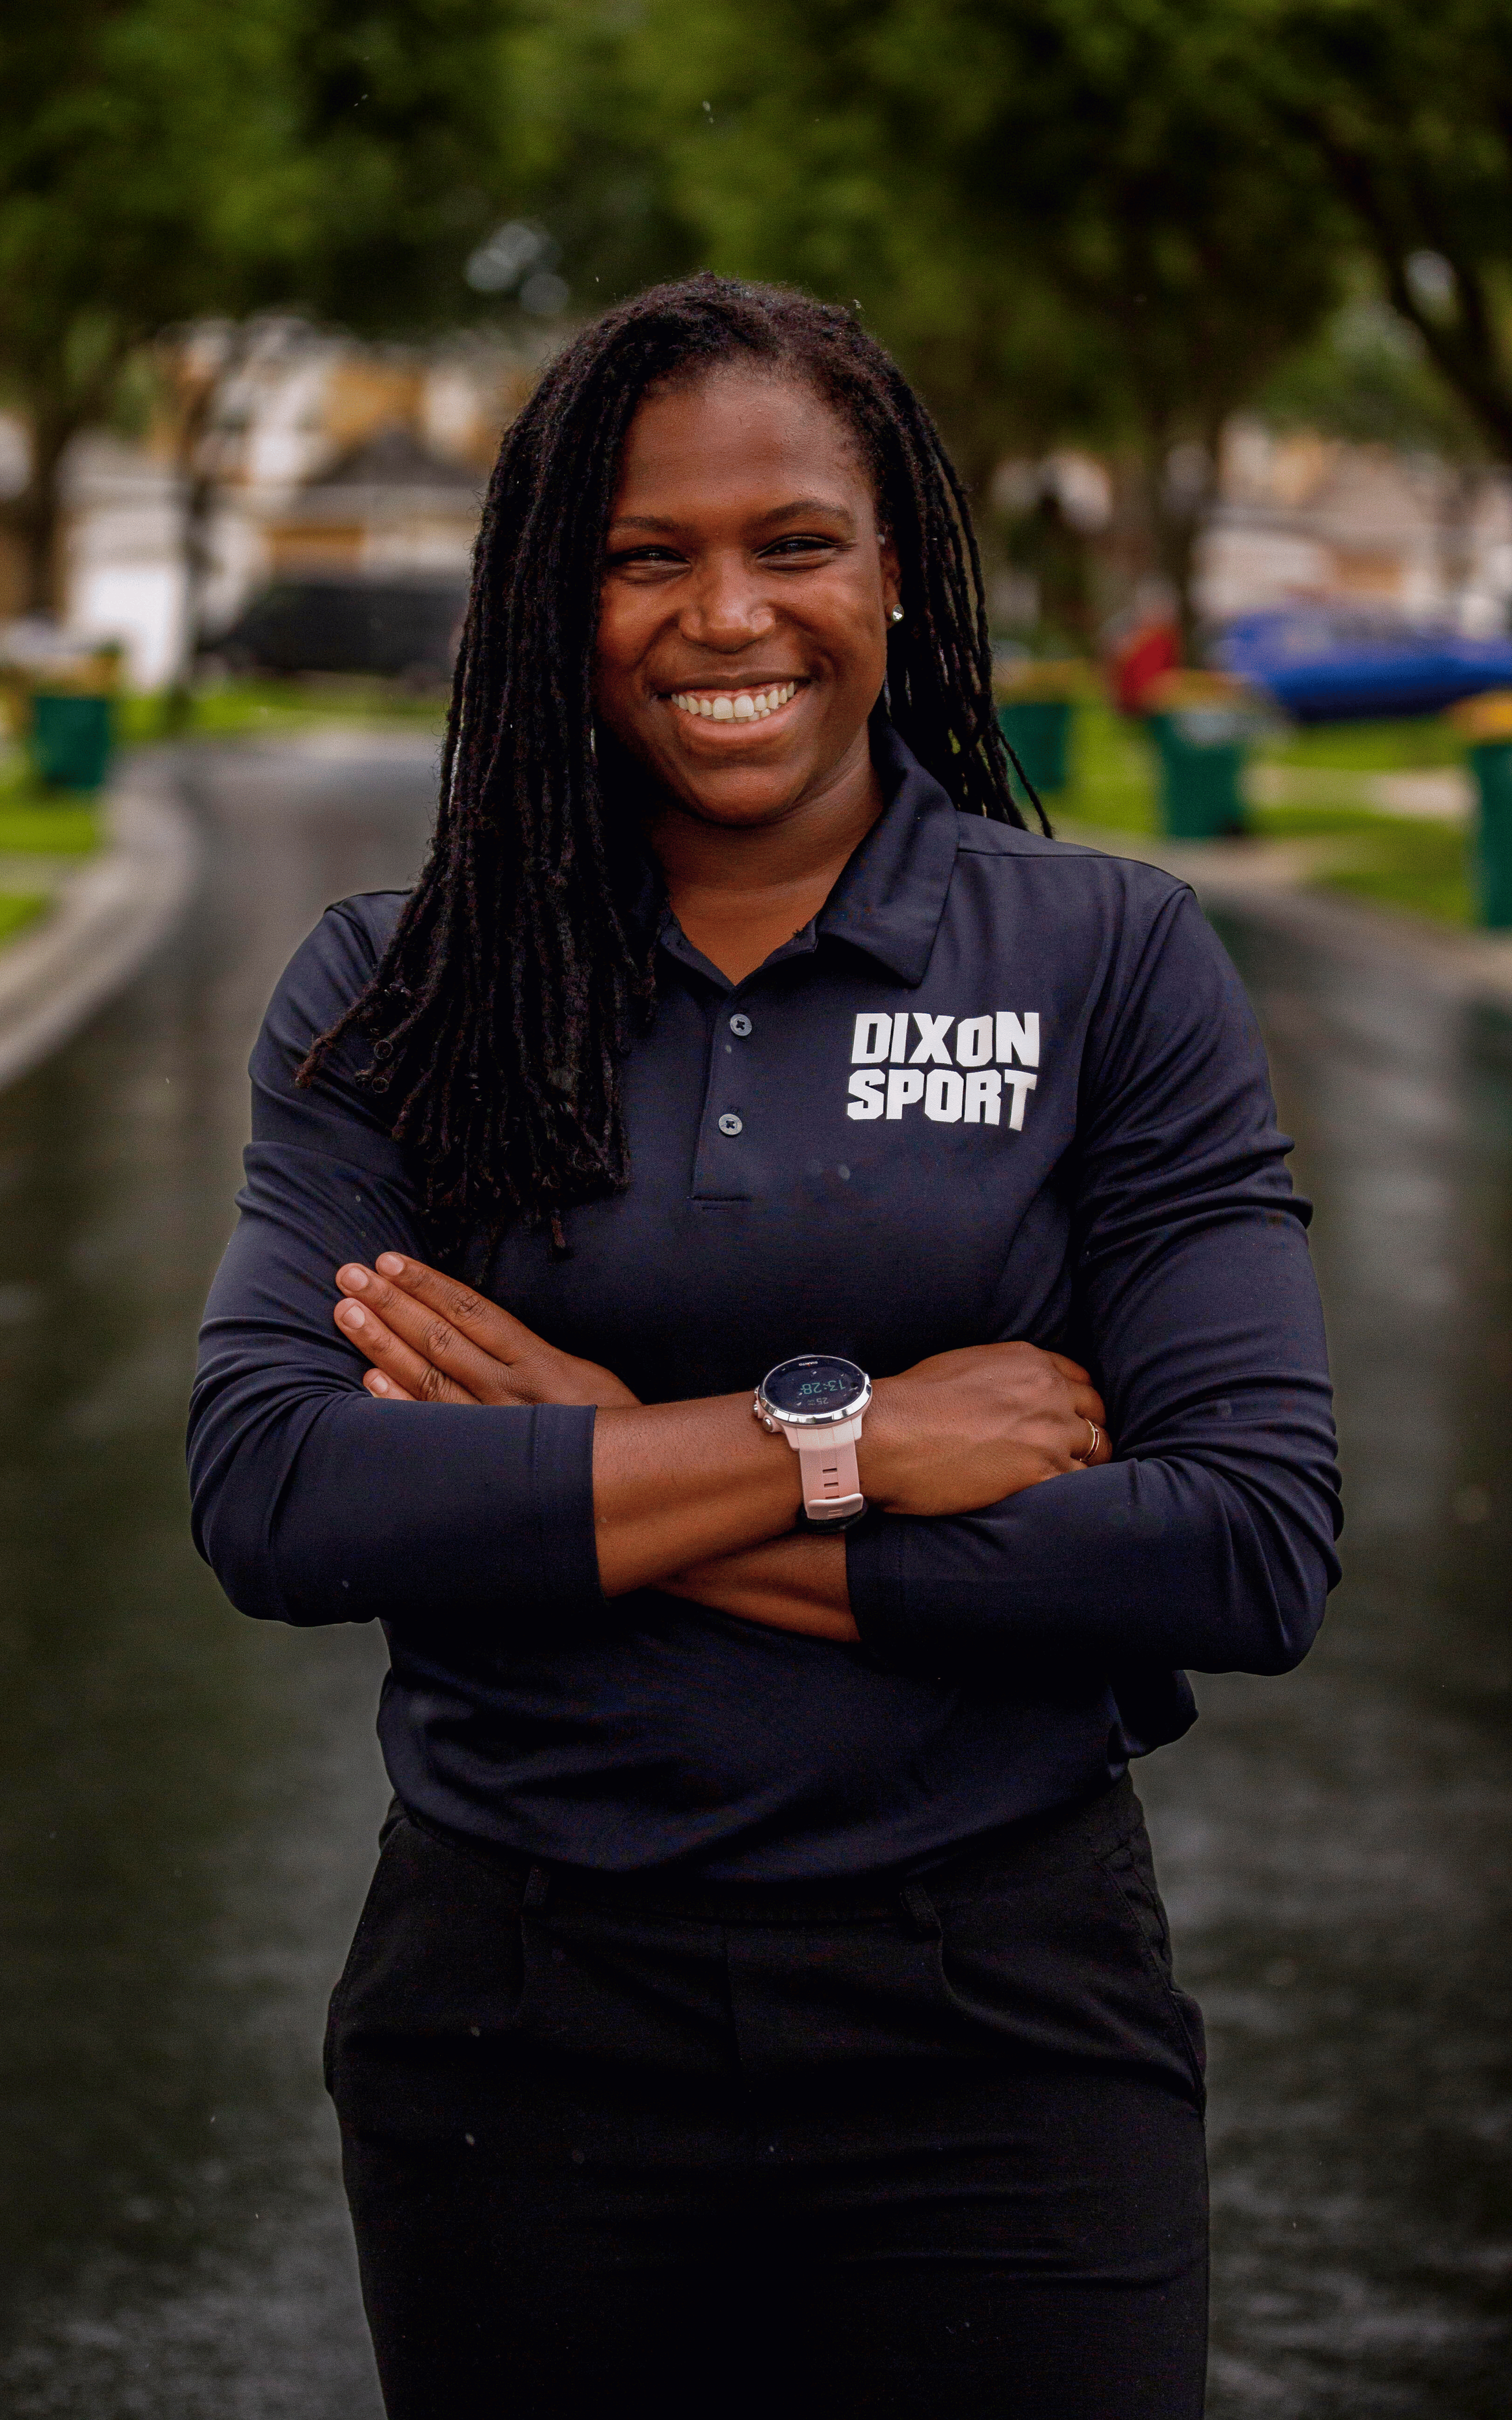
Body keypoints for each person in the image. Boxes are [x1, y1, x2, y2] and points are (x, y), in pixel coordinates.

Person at [188, 275, 1340, 2419]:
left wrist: (600, 1453)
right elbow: (274, 1489)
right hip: (515, 2022)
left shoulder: (1104, 961)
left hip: (995, 2013)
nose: (727, 614)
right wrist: (849, 1438)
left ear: (892, 569)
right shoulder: (401, 991)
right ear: (561, 595)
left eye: (792, 543)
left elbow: (1241, 1543)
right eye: (648, 556)